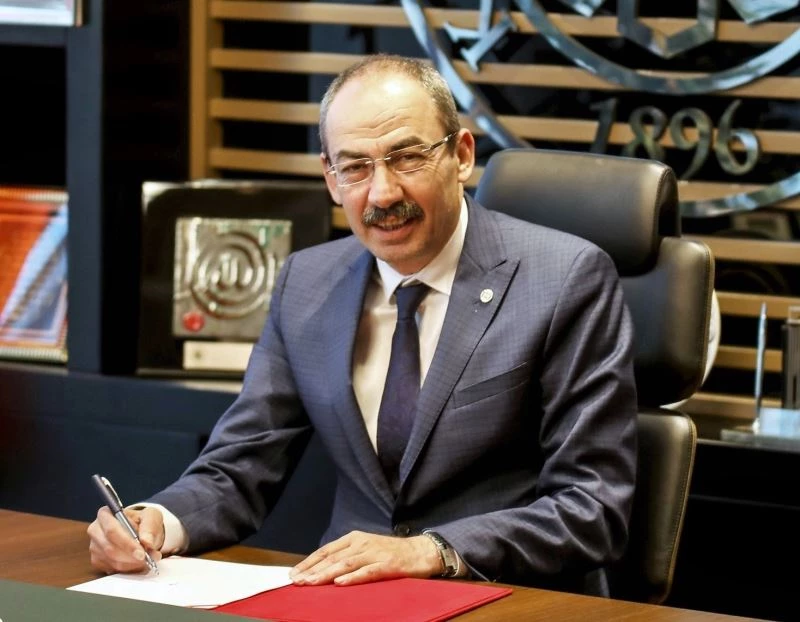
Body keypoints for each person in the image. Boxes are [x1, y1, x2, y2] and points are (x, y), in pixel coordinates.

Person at [87, 54, 637, 595]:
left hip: (510, 600)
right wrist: (157, 522)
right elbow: (241, 465)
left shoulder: (565, 278)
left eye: (407, 158)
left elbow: (591, 507)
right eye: (354, 167)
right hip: (349, 599)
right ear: (331, 179)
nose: (383, 193)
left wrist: (431, 551)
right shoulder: (306, 283)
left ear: (462, 155)